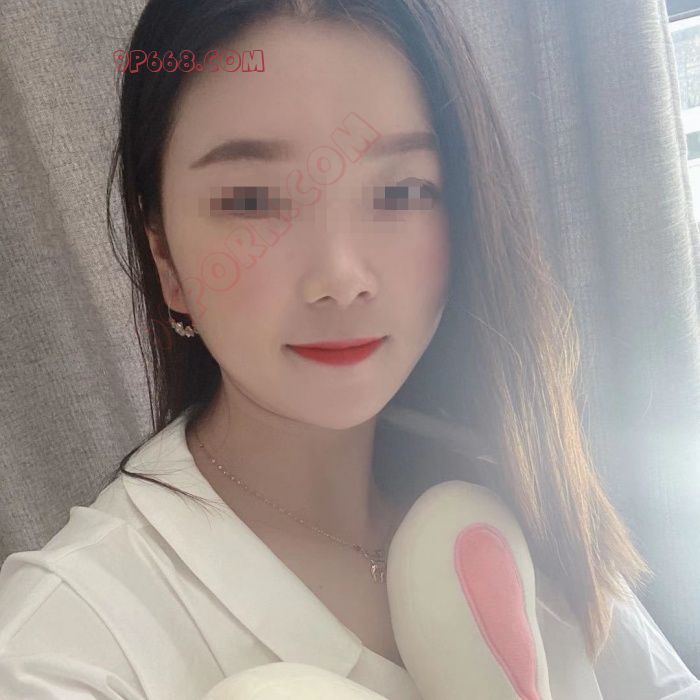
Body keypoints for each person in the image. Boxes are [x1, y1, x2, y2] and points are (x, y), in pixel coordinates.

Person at [1, 0, 699, 698]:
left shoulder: (512, 481)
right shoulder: (65, 650)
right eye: (251, 201)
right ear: (166, 259)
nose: (340, 277)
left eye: (401, 191)